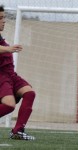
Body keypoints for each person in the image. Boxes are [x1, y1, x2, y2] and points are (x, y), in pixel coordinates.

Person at [0, 5, 35, 140]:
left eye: (3, 17)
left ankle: (17, 131)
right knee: (9, 105)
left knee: (29, 93)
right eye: (0, 18)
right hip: (2, 76)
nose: (3, 21)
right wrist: (9, 49)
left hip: (11, 75)